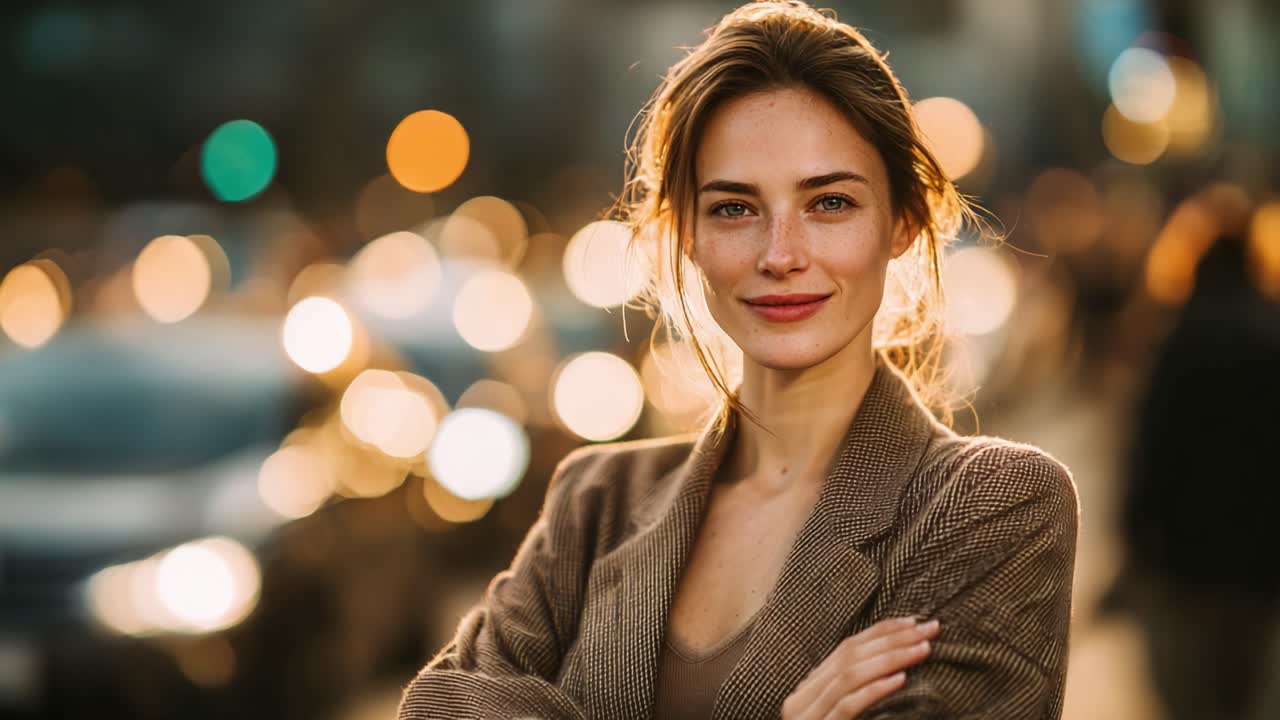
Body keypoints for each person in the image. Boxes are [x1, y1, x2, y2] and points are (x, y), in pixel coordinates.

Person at [398, 2, 1078, 718]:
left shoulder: (992, 507)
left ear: (904, 221)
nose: (781, 254)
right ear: (685, 232)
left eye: (831, 202)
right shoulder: (592, 500)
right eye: (734, 209)